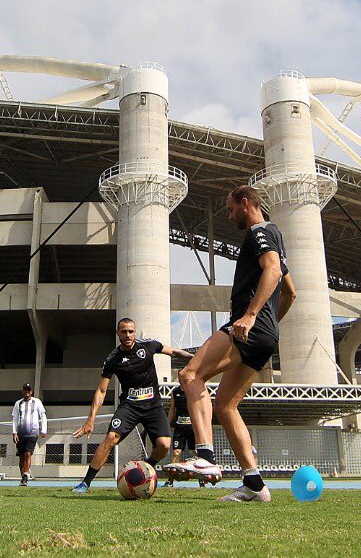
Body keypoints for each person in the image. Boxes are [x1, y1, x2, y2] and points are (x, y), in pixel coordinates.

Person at [165, 185, 297, 502]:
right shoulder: (275, 236)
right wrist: (269, 324)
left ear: (245, 202)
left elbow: (274, 270)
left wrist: (252, 316)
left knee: (189, 376)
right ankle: (254, 485)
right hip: (265, 336)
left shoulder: (259, 232)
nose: (229, 215)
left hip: (248, 329)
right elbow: (291, 291)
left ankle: (206, 457)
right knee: (225, 405)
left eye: (230, 208)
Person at [71, 318, 193, 494]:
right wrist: (90, 420)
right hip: (129, 406)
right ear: (118, 334)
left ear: (135, 332)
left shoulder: (149, 346)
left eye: (130, 331)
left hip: (153, 406)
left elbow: (173, 351)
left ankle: (147, 466)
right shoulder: (113, 359)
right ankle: (85, 483)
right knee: (111, 438)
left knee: (165, 445)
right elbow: (101, 390)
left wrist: (195, 358)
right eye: (123, 332)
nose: (127, 335)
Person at [11, 383, 48, 486]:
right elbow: (14, 418)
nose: (27, 392)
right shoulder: (18, 403)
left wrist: (43, 429)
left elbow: (43, 415)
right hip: (21, 433)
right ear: (23, 391)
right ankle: (23, 476)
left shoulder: (37, 402)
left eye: (29, 390)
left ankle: (25, 477)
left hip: (33, 432)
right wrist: (14, 432)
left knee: (28, 454)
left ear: (31, 391)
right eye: (25, 390)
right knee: (21, 457)